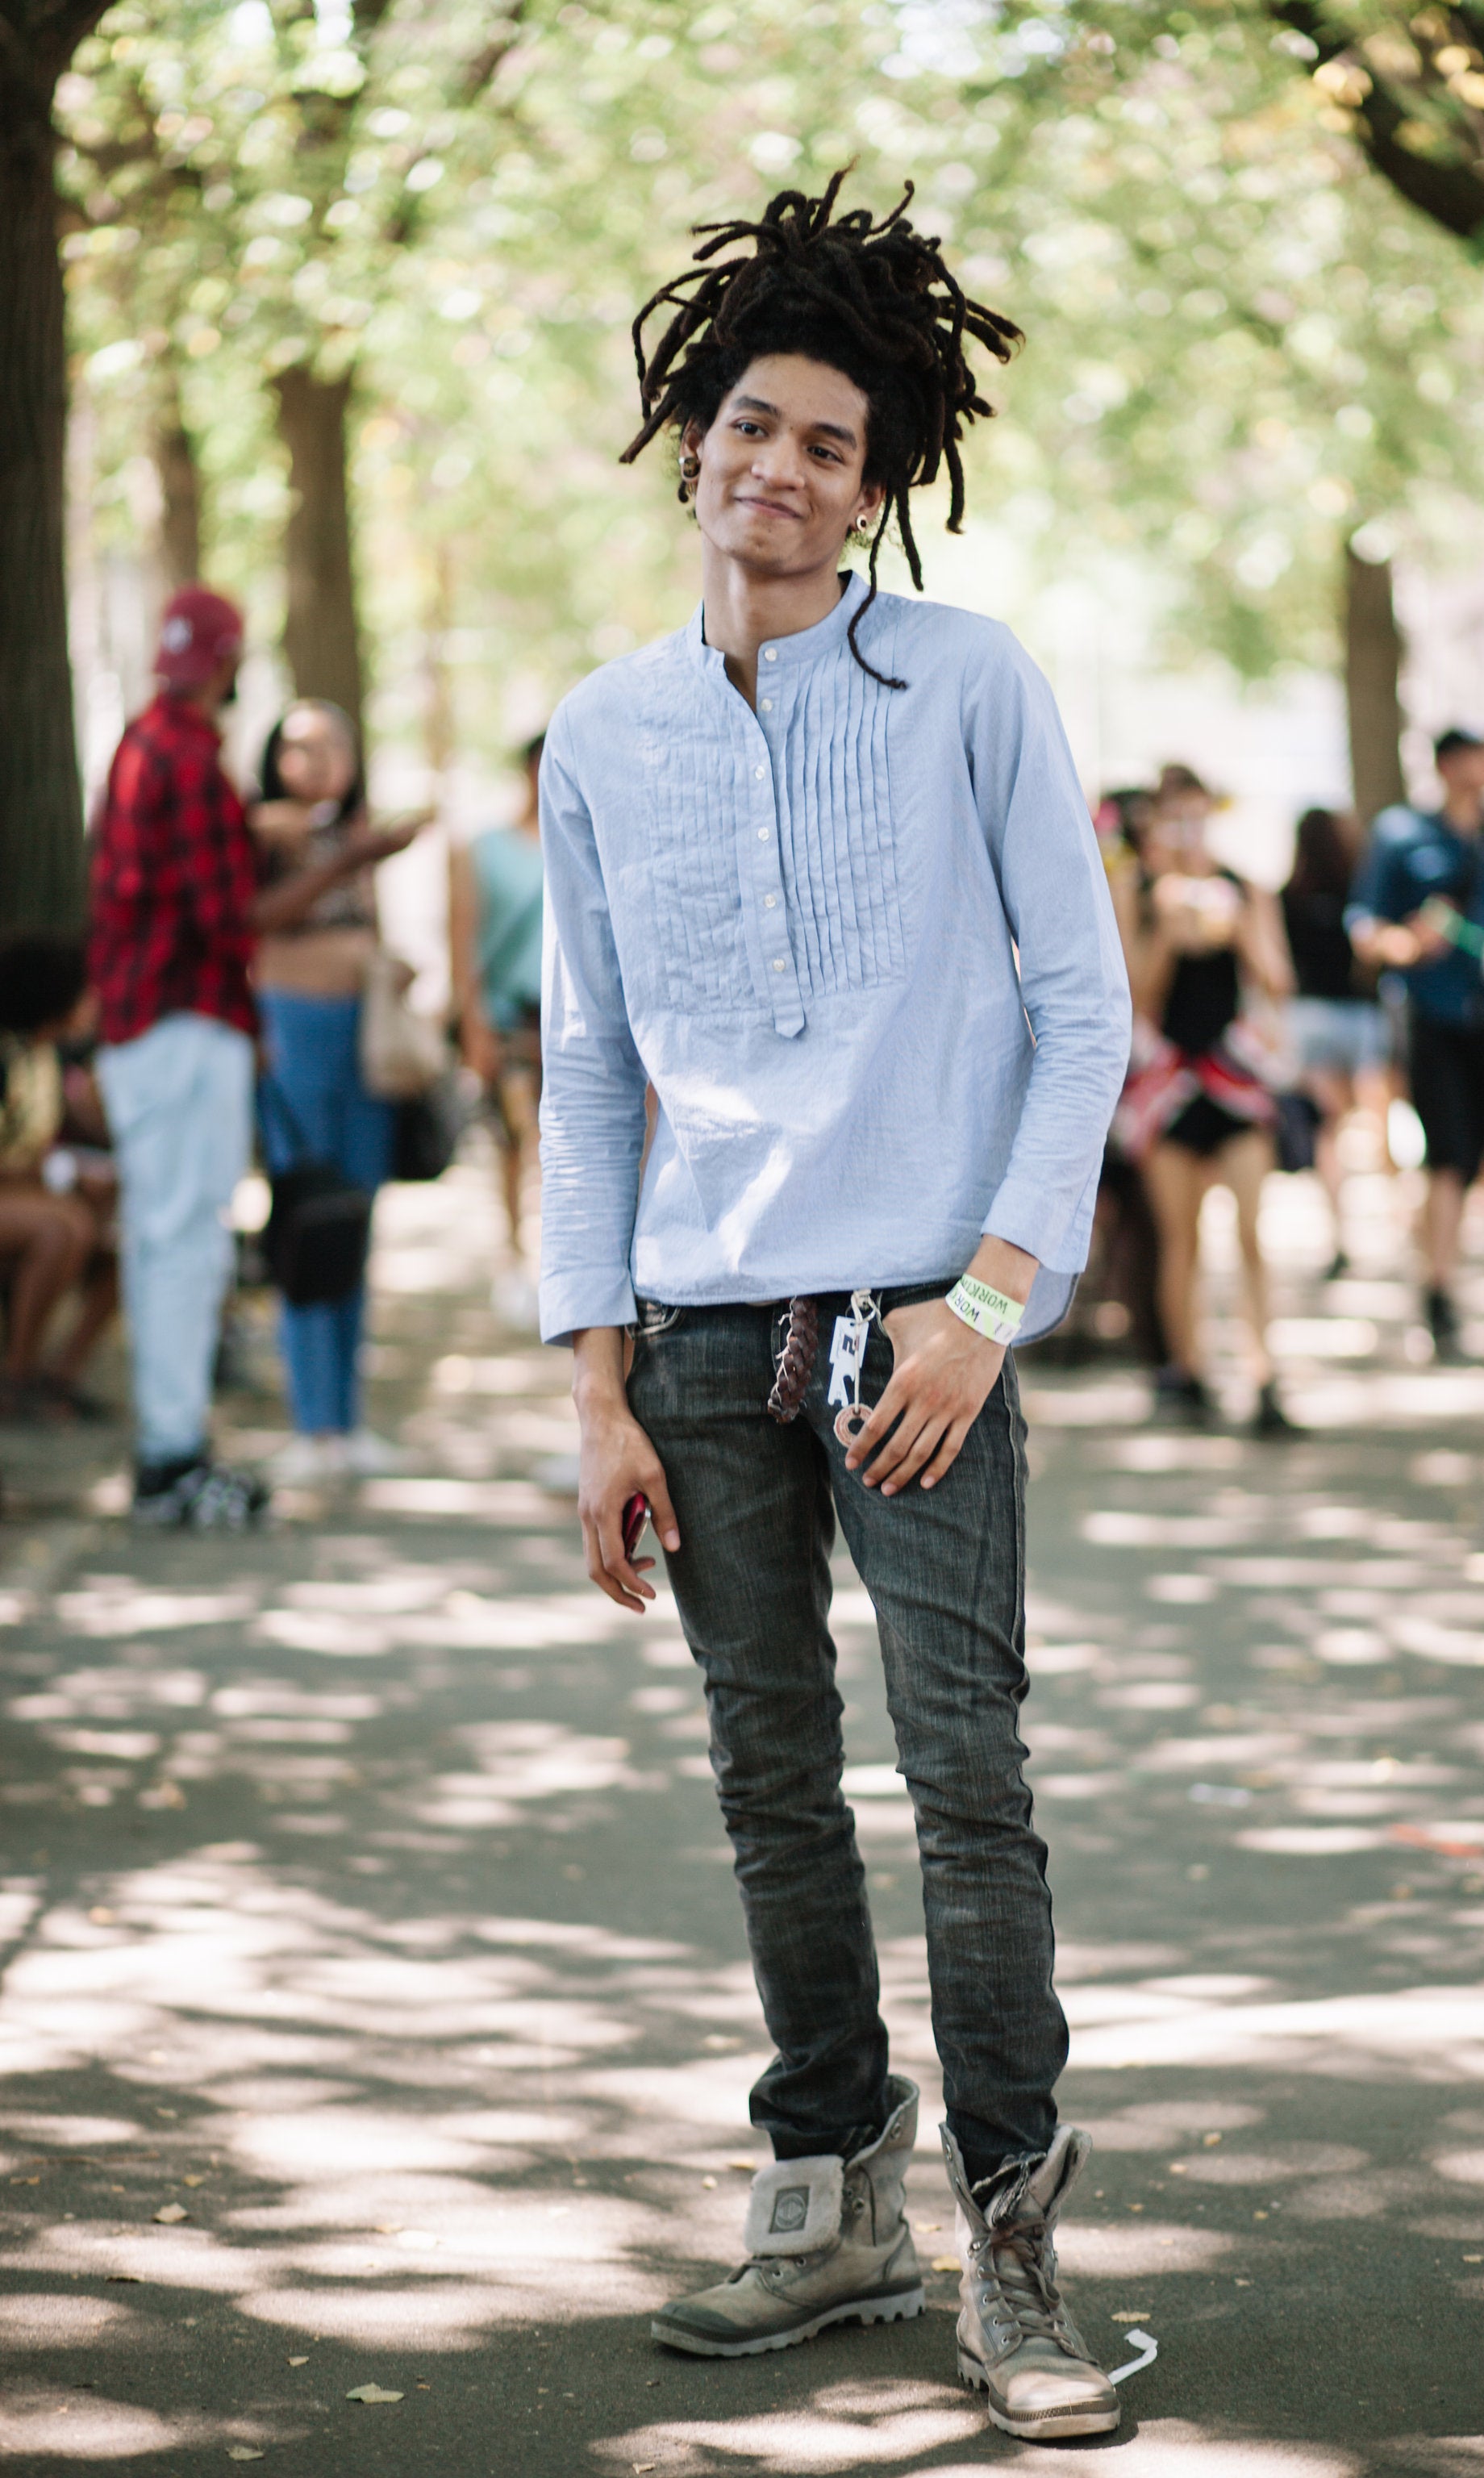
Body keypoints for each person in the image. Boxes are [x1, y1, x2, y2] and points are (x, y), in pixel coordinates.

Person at [539, 174, 1132, 2441]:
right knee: (771, 1779)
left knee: (967, 1781)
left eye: (834, 451)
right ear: (696, 436)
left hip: (924, 1326)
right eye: (755, 427)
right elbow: (590, 1075)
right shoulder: (599, 735)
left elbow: (1078, 1016)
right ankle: (829, 2178)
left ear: (877, 493)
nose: (783, 473)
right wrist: (595, 1395)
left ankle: (1018, 2240)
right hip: (698, 1338)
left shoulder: (969, 681)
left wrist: (990, 1302)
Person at [88, 586, 405, 1528]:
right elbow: (229, 924)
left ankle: (170, 1451)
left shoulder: (144, 745)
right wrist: (345, 865)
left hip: (152, 1027)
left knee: (168, 1239)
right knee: (183, 1243)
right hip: (183, 1025)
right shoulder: (187, 761)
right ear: (225, 664)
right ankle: (172, 1460)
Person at [250, 699, 424, 1484]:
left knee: (356, 1216)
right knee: (304, 1216)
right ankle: (308, 1423)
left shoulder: (360, 839)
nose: (316, 760)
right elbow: (257, 921)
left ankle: (346, 1421)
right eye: (298, 746)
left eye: (331, 745)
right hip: (292, 1032)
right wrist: (350, 861)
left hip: (364, 1038)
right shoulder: (263, 832)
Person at [1346, 728, 1484, 1360]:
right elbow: (1366, 927)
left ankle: (1441, 1270)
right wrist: (1405, 946)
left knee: (1469, 1157)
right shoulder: (1402, 834)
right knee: (1446, 1149)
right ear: (1444, 766)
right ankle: (1439, 1289)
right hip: (1428, 1015)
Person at [1112, 766, 1297, 1433]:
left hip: (1234, 1079)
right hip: (1168, 1084)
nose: (1188, 830)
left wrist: (1236, 923)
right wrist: (1168, 925)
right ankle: (1186, 1372)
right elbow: (1136, 993)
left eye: (1198, 815)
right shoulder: (1135, 888)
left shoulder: (1244, 885)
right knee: (1179, 1239)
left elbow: (1278, 980)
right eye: (1174, 817)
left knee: (1251, 1232)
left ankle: (1264, 1376)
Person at [0, 937, 119, 1421]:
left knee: (121, 1241)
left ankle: (62, 1376)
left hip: (21, 1193)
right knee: (63, 1227)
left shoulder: (50, 1058)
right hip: (16, 1195)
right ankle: (16, 1376)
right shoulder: (7, 1057)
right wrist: (60, 1171)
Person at [449, 732, 546, 1304]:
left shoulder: (587, 841)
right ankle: (514, 1259)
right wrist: (473, 1027)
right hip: (510, 1017)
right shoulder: (484, 848)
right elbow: (463, 938)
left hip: (569, 1024)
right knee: (513, 1140)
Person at [1281, 805, 1390, 1277]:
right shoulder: (1359, 894)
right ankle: (1396, 1221)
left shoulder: (1288, 899)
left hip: (1312, 1019)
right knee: (1376, 1123)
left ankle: (1341, 1229)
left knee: (1331, 1130)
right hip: (1358, 1016)